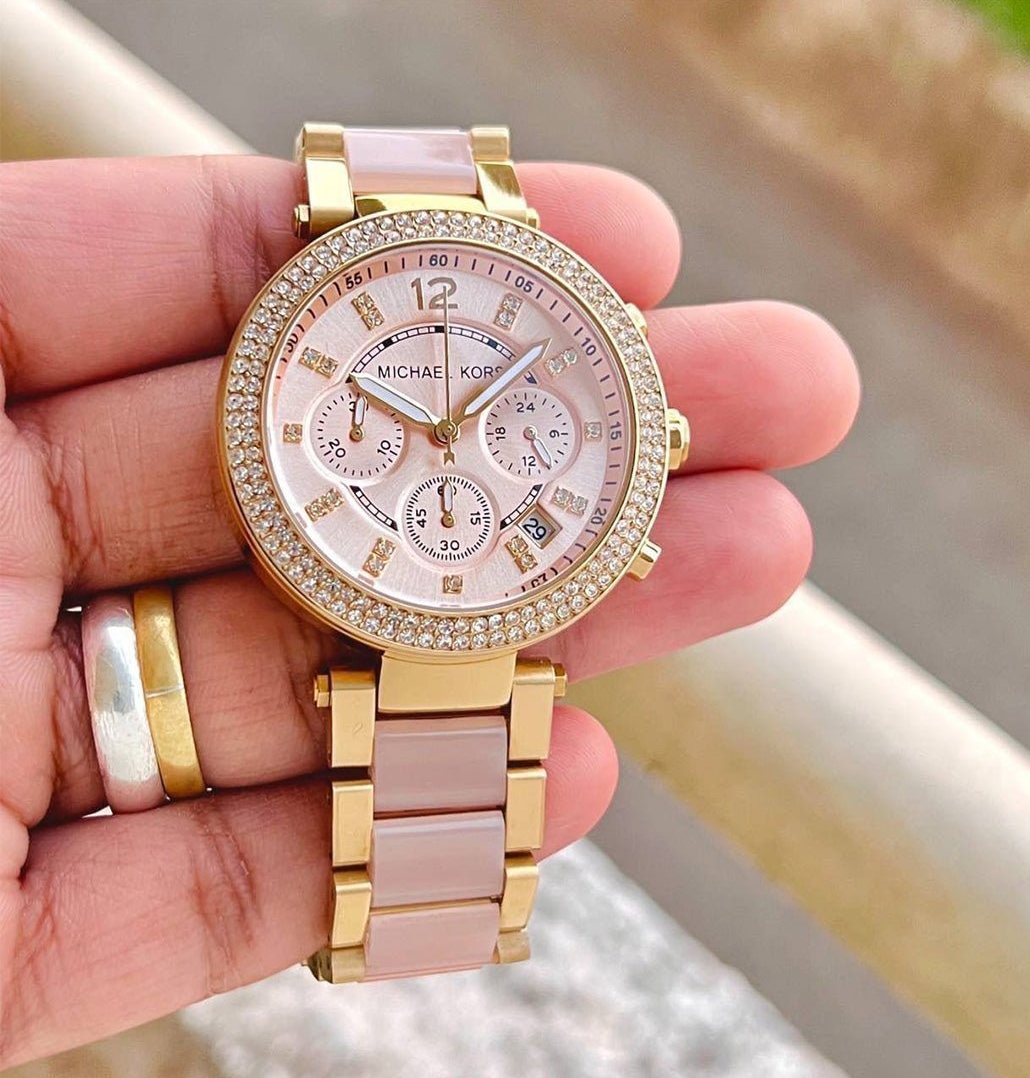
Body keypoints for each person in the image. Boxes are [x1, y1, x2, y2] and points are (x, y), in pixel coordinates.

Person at [0, 154, 859, 1065]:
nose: (448, 435)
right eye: (434, 426)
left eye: (465, 424)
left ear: (658, 441)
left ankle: (417, 922)